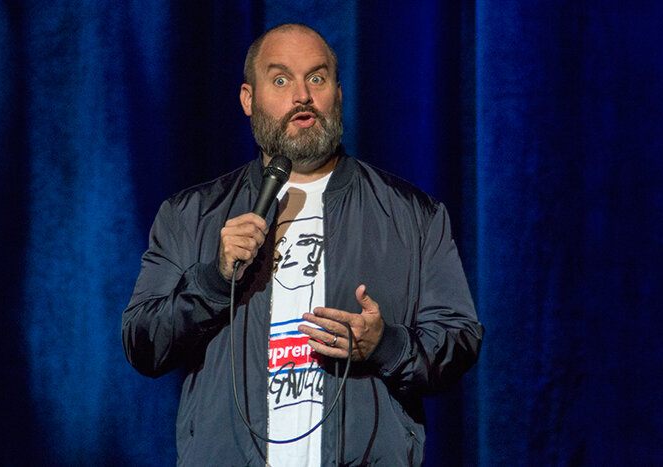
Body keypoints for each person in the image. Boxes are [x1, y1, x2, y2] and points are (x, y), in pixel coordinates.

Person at [122, 23, 483, 466]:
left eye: (317, 77)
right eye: (280, 80)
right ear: (248, 99)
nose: (302, 96)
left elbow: (459, 341)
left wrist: (386, 345)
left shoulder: (414, 216)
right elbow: (143, 344)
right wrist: (213, 280)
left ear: (338, 94)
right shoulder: (190, 216)